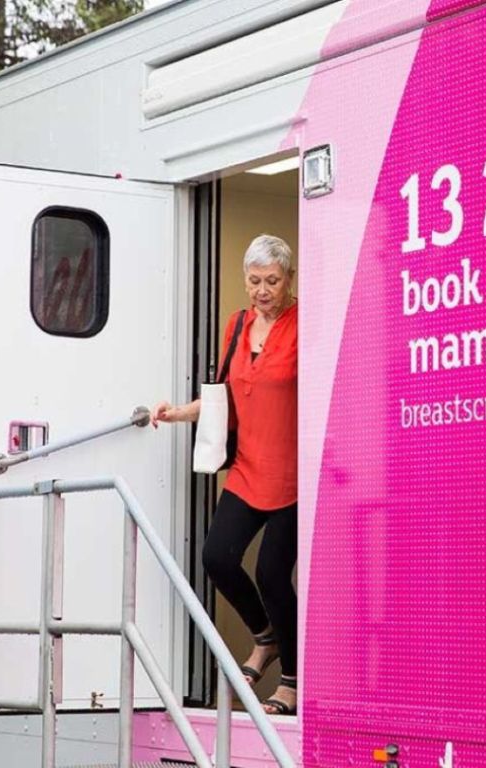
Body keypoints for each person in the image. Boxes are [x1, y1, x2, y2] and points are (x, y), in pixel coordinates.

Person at [151, 234, 298, 715]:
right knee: (217, 557)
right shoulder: (237, 324)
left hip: (294, 475)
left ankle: (291, 680)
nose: (262, 290)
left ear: (289, 279)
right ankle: (265, 638)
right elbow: (223, 397)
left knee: (272, 573)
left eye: (272, 281)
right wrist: (179, 413)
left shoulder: (304, 324)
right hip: (249, 467)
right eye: (254, 281)